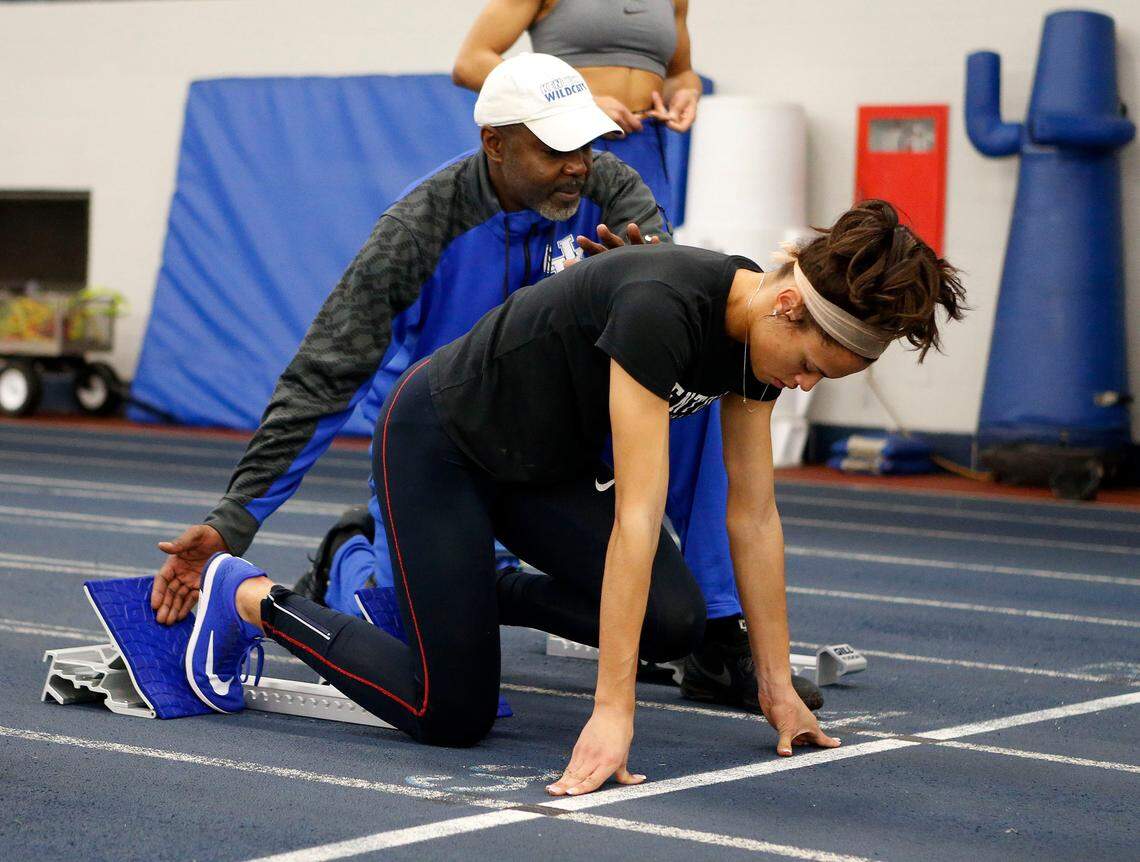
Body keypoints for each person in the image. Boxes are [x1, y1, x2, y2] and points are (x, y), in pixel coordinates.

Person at [174, 200, 966, 797]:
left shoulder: (763, 342)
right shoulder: (664, 307)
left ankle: (467, 588)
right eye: (809, 369)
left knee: (678, 623)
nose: (800, 386)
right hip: (442, 445)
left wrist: (775, 685)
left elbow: (754, 516)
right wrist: (611, 711)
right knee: (449, 713)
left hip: (538, 471)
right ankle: (249, 595)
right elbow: (635, 516)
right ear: (789, 304)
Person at [153, 52, 821, 712]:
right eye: (558, 149)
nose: (579, 165)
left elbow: (686, 321)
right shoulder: (416, 230)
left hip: (561, 458)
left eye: (585, 145)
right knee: (396, 636)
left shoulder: (612, 195)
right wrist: (235, 519)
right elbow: (324, 374)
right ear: (494, 145)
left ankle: (716, 630)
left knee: (703, 384)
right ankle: (348, 558)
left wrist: (641, 287)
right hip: (450, 453)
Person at [454, 2, 789, 712]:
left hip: (645, 164)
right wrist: (575, 104)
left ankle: (715, 623)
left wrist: (687, 86)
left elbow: (680, 64)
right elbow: (472, 61)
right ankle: (437, 536)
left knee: (693, 386)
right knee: (555, 370)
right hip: (566, 154)